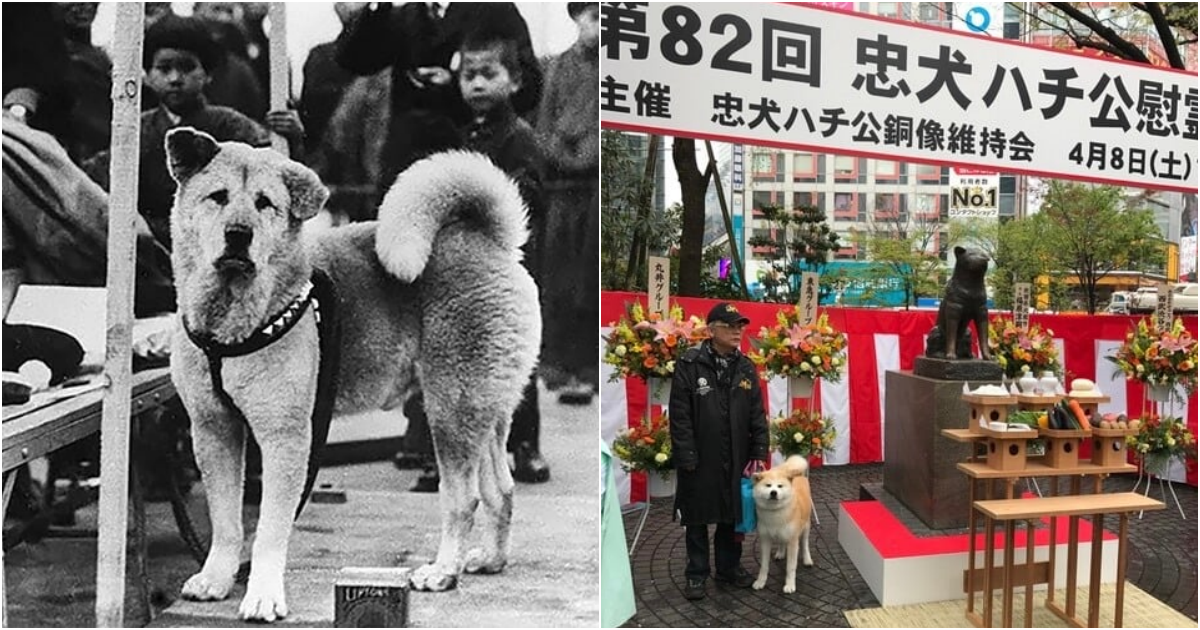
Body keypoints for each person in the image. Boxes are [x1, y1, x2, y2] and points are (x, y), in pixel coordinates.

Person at [403, 26, 551, 491]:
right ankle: (448, 453)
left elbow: (528, 196)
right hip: (466, 269)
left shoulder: (520, 139)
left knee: (510, 359)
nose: (478, 84)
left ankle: (525, 445)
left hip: (511, 262)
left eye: (489, 74)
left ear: (514, 81)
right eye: (469, 75)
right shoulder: (463, 135)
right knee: (462, 360)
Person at [88, 15, 304, 250]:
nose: (175, 78)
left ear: (207, 74)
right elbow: (97, 177)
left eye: (187, 68)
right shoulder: (136, 128)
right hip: (151, 249)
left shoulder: (230, 124)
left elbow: (276, 169)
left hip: (219, 246)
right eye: (163, 68)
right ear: (147, 75)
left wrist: (291, 138)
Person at [334, 1, 542, 196]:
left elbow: (528, 88)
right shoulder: (402, 15)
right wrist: (377, 6)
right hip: (406, 162)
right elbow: (354, 60)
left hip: (470, 154)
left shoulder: (495, 10)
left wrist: (456, 84)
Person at [669, 302, 769, 601]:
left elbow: (756, 413)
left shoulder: (746, 366)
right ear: (711, 330)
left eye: (740, 325)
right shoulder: (690, 364)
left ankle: (729, 567)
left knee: (730, 514)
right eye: (730, 326)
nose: (737, 331)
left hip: (736, 453)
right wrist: (685, 454)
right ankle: (697, 574)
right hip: (700, 455)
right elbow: (680, 414)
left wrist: (759, 450)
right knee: (697, 517)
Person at [536, 2, 599, 403]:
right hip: (560, 185)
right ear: (577, 19)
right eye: (593, 17)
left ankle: (590, 364)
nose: (599, 26)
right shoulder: (557, 67)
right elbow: (544, 124)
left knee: (590, 276)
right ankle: (557, 363)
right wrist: (562, 154)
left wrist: (591, 153)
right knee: (558, 273)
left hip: (597, 184)